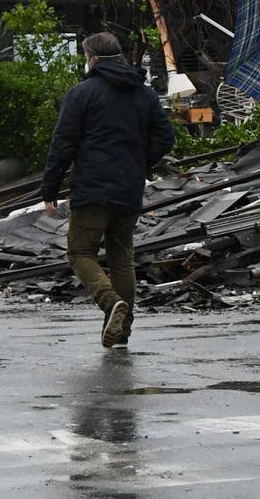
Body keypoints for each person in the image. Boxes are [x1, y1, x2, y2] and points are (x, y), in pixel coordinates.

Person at [42, 32, 175, 350]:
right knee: (122, 257)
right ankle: (121, 332)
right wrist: (139, 162)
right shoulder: (144, 95)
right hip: (128, 189)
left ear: (94, 59)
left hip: (92, 188)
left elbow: (63, 144)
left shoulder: (82, 93)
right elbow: (165, 136)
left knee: (80, 252)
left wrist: (50, 188)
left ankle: (109, 301)